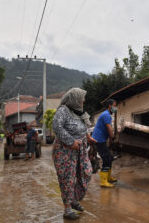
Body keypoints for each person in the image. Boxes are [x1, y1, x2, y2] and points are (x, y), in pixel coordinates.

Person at [52, 88, 93, 220]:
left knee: (86, 172)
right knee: (67, 178)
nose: (84, 100)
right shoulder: (63, 110)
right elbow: (57, 127)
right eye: (82, 98)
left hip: (80, 149)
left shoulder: (79, 112)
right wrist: (70, 142)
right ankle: (67, 208)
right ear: (75, 98)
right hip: (64, 150)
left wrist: (88, 137)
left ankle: (73, 198)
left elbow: (83, 128)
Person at [92, 99, 117, 188]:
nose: (115, 108)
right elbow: (109, 128)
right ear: (110, 106)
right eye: (114, 105)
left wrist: (110, 139)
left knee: (110, 157)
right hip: (99, 140)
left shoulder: (106, 114)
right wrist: (112, 137)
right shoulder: (106, 115)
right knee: (106, 159)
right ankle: (103, 181)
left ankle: (108, 177)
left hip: (100, 139)